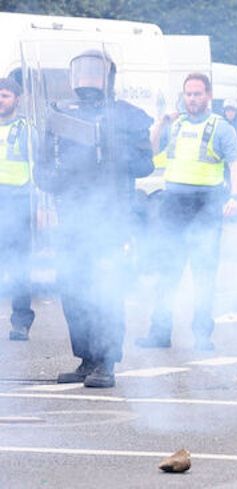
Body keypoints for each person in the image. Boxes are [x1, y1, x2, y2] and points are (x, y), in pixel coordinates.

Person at [35, 50, 154, 387]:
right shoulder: (61, 116)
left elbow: (145, 165)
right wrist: (53, 178)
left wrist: (111, 145)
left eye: (94, 73)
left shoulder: (128, 117)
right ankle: (86, 357)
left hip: (110, 219)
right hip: (72, 218)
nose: (87, 81)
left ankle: (107, 362)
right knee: (73, 290)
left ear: (109, 78)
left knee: (105, 290)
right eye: (81, 73)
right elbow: (43, 168)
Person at [136, 73, 237, 351]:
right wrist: (161, 121)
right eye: (188, 94)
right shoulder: (176, 125)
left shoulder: (221, 127)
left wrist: (235, 196)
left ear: (208, 95)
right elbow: (151, 148)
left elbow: (235, 164)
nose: (192, 99)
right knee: (168, 269)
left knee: (204, 273)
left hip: (206, 205)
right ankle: (159, 333)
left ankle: (202, 336)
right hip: (174, 203)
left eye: (197, 94)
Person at [0, 78, 35, 341]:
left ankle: (21, 322)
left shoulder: (26, 130)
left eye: (5, 96)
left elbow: (37, 169)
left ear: (17, 99)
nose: (1, 100)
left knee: (20, 266)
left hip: (17, 202)